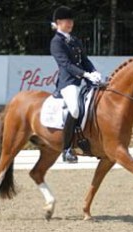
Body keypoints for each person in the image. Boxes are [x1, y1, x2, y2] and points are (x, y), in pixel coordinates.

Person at [50, 6, 101, 163]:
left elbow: (84, 60)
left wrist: (93, 71)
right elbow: (65, 64)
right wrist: (85, 74)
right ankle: (66, 149)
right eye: (67, 20)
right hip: (68, 83)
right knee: (74, 109)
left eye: (71, 20)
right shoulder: (56, 42)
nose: (70, 23)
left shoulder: (75, 40)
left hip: (83, 81)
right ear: (58, 22)